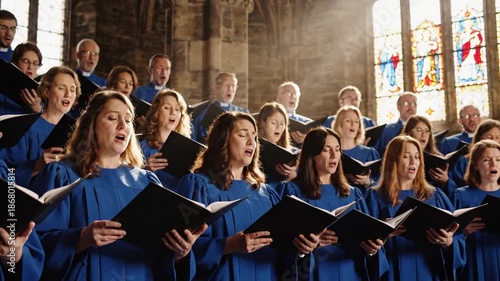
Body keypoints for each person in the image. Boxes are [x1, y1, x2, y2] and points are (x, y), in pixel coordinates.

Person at [30, 91, 205, 280]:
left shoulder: (147, 181)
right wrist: (81, 238)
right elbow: (35, 245)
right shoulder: (62, 175)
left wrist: (180, 253)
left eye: (128, 120)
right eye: (113, 118)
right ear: (92, 125)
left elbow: (160, 254)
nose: (123, 125)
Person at [175, 112, 280, 280]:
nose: (251, 142)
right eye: (242, 134)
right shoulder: (199, 186)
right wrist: (228, 245)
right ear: (223, 140)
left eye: (254, 136)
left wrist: (300, 249)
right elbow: (181, 247)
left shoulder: (267, 193)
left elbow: (281, 252)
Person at [276, 128, 387, 281]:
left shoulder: (353, 194)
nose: (335, 155)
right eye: (327, 150)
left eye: (337, 150)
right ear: (312, 155)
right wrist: (306, 248)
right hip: (312, 273)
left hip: (350, 272)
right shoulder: (292, 191)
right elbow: (281, 243)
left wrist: (372, 249)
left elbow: (367, 242)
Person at [364, 135, 466, 281]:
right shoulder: (374, 197)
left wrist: (448, 242)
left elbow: (457, 236)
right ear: (393, 160)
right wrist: (379, 239)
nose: (413, 161)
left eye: (417, 157)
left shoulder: (434, 196)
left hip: (430, 269)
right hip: (392, 270)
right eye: (406, 156)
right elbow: (365, 245)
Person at [0, 66, 81, 187]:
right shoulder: (26, 127)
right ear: (46, 92)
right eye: (61, 88)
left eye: (72, 90)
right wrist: (35, 167)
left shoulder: (79, 132)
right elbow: (8, 176)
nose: (68, 94)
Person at [452, 140, 500, 281]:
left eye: (498, 159)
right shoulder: (460, 195)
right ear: (475, 165)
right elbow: (449, 234)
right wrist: (463, 231)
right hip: (473, 258)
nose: (494, 164)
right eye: (486, 160)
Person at [140, 89, 191, 188]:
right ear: (156, 112)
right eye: (167, 107)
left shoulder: (186, 149)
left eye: (177, 109)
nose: (173, 112)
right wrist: (145, 170)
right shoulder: (142, 147)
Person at [402, 115, 457, 196]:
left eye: (427, 131)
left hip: (432, 197)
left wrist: (445, 180)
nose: (423, 134)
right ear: (409, 132)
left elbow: (453, 192)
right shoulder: (400, 156)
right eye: (418, 130)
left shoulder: (438, 157)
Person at [332, 106, 380, 193]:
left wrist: (368, 182)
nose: (353, 124)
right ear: (339, 124)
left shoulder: (369, 153)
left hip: (364, 200)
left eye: (356, 121)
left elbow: (382, 181)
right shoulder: (331, 153)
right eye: (348, 121)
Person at [191, 72, 249, 143]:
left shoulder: (243, 113)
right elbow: (194, 140)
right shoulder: (201, 112)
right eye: (226, 85)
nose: (230, 89)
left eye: (233, 86)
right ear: (216, 87)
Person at [256, 102, 298, 187]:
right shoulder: (252, 148)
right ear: (263, 123)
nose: (278, 127)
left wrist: (294, 175)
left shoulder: (293, 152)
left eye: (282, 124)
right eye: (274, 123)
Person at [451, 119, 500, 187]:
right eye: (489, 137)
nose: (493, 141)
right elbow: (458, 185)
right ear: (479, 137)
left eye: (497, 137)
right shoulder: (464, 161)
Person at [0, 42, 43, 115]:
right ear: (14, 63)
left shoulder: (42, 95)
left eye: (35, 63)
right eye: (26, 62)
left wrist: (37, 109)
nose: (31, 67)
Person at [374, 92, 417, 156]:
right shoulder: (386, 130)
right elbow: (377, 154)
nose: (410, 107)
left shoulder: (424, 130)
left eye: (414, 104)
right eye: (406, 103)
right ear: (398, 107)